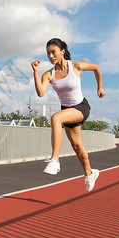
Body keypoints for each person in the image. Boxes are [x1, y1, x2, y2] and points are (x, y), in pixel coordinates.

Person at [32, 38, 106, 191]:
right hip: (67, 110)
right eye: (48, 53)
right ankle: (90, 173)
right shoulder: (49, 74)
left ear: (62, 52)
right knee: (77, 146)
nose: (51, 56)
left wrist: (99, 88)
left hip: (81, 107)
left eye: (54, 52)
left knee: (55, 118)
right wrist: (36, 72)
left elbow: (96, 68)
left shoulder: (76, 66)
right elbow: (40, 93)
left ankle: (55, 160)